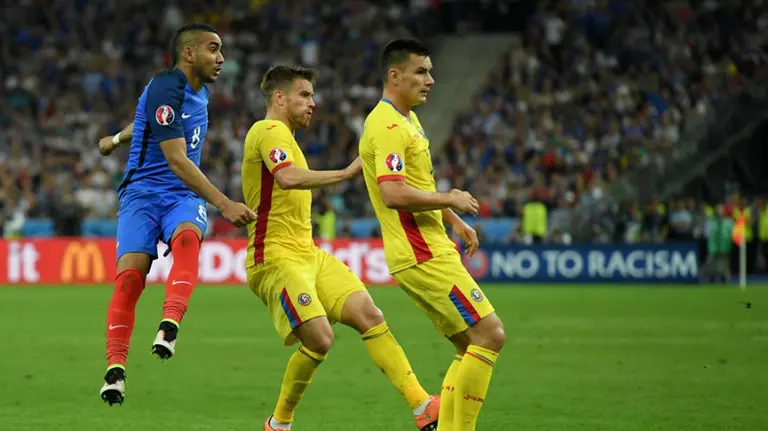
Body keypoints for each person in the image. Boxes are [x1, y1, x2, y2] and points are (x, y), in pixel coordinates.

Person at [242, 65, 439, 431]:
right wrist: (345, 174)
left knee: (370, 314)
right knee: (319, 338)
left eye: (313, 96)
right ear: (279, 98)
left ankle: (421, 404)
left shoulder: (287, 139)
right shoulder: (267, 131)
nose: (313, 103)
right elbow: (287, 179)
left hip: (308, 254)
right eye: (304, 95)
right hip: (274, 258)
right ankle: (279, 423)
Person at [96, 23, 257, 406]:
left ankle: (169, 325)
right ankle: (115, 371)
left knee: (188, 239)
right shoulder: (167, 87)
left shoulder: (197, 94)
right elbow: (176, 157)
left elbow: (146, 121)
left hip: (181, 195)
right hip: (142, 195)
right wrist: (224, 203)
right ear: (189, 54)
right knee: (130, 279)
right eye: (213, 49)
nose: (221, 59)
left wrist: (115, 140)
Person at [359, 38, 506, 431]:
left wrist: (451, 220)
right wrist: (451, 199)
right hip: (422, 253)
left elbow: (415, 183)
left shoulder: (407, 118)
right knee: (490, 335)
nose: (431, 80)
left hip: (428, 247)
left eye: (430, 71)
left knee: (468, 345)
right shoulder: (389, 125)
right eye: (421, 72)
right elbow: (392, 193)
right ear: (395, 75)